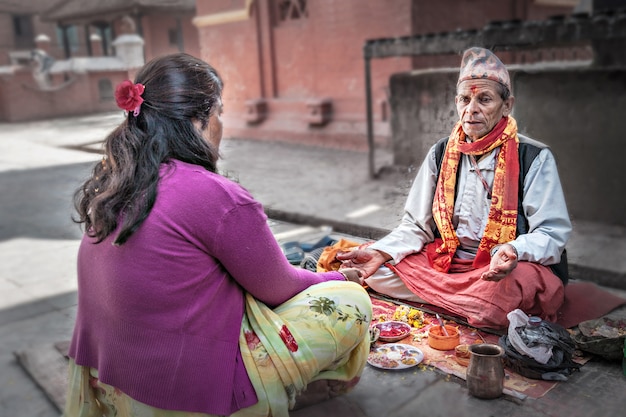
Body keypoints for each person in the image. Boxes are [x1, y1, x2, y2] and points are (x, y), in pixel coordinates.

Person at [63, 53, 372, 417]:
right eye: (219, 113)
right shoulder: (215, 195)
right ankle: (272, 391)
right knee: (350, 301)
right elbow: (278, 287)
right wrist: (337, 276)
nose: (221, 124)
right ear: (198, 120)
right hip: (184, 391)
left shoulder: (113, 180)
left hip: (112, 375)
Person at [337, 47, 571, 330]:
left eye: (484, 99)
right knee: (376, 268)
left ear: (507, 105)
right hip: (446, 261)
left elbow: (551, 235)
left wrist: (512, 249)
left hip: (500, 269)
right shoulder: (441, 152)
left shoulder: (533, 156)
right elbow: (416, 226)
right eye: (464, 99)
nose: (471, 110)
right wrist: (383, 252)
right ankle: (466, 305)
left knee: (505, 292)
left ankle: (461, 302)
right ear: (456, 102)